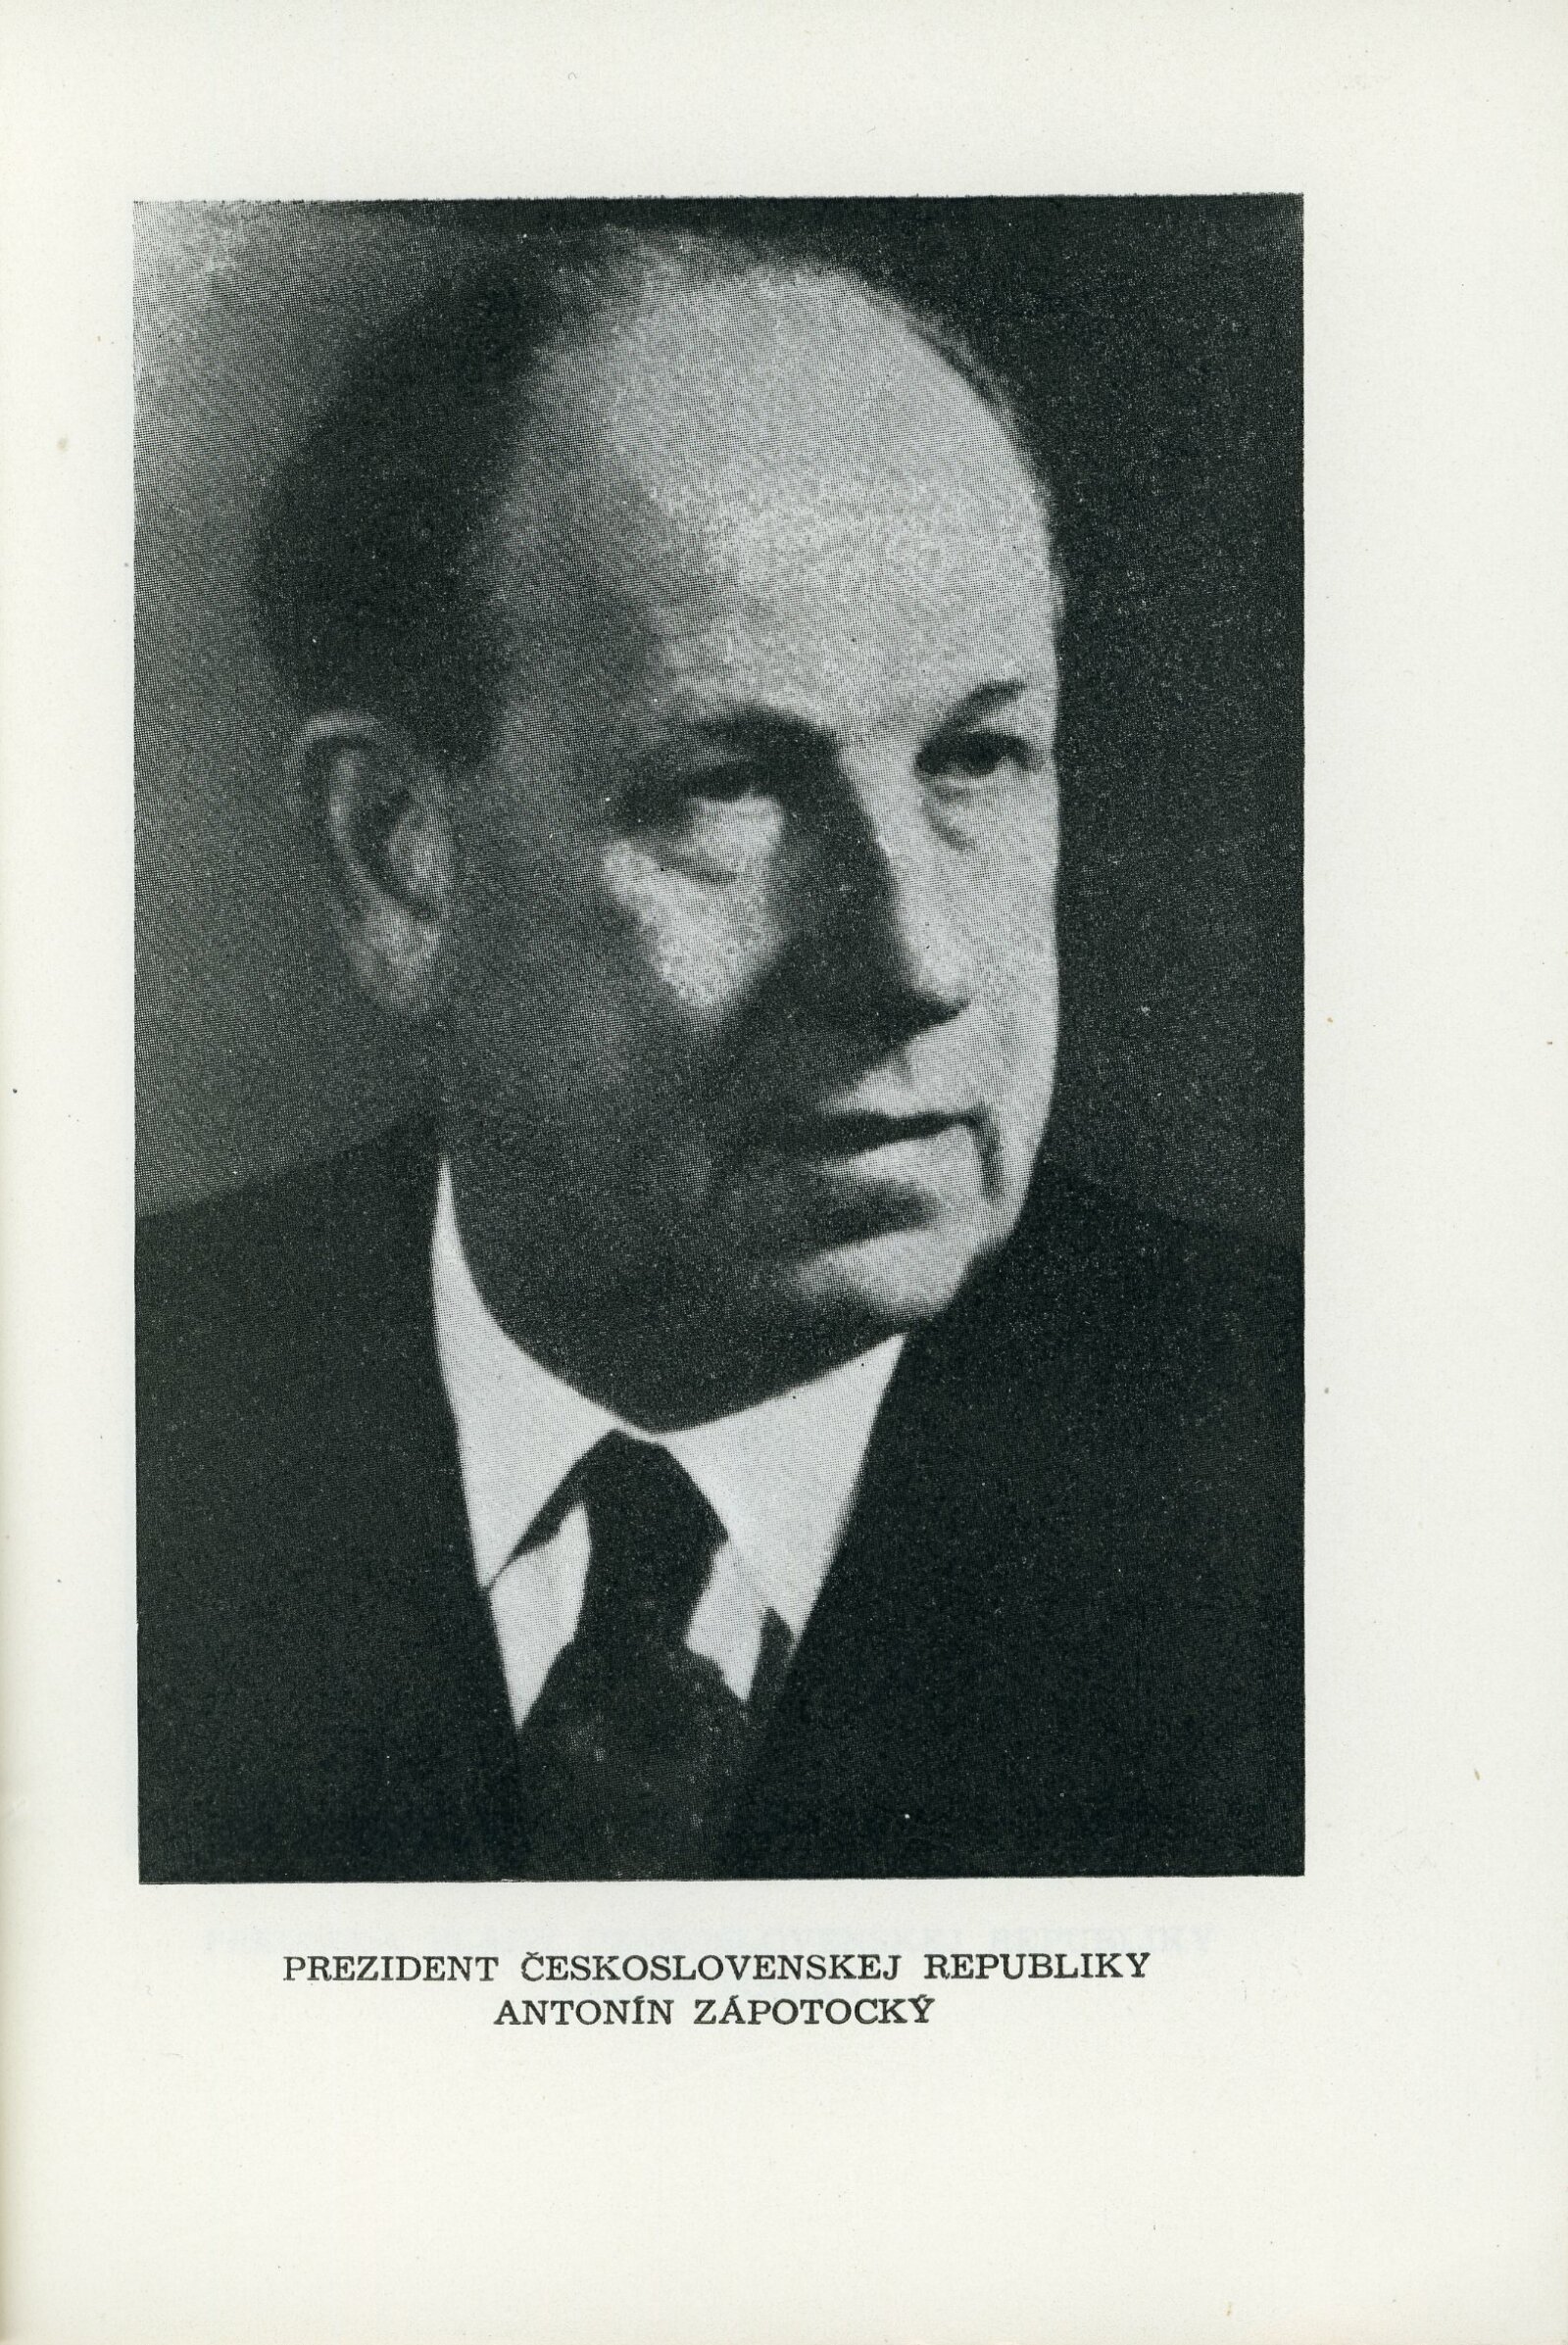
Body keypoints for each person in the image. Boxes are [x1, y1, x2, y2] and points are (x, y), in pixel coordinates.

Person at [137, 220, 1301, 1882]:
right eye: (728, 786)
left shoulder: (1325, 1463)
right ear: (398, 857)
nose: (920, 960)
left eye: (977, 757)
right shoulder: (112, 1406)